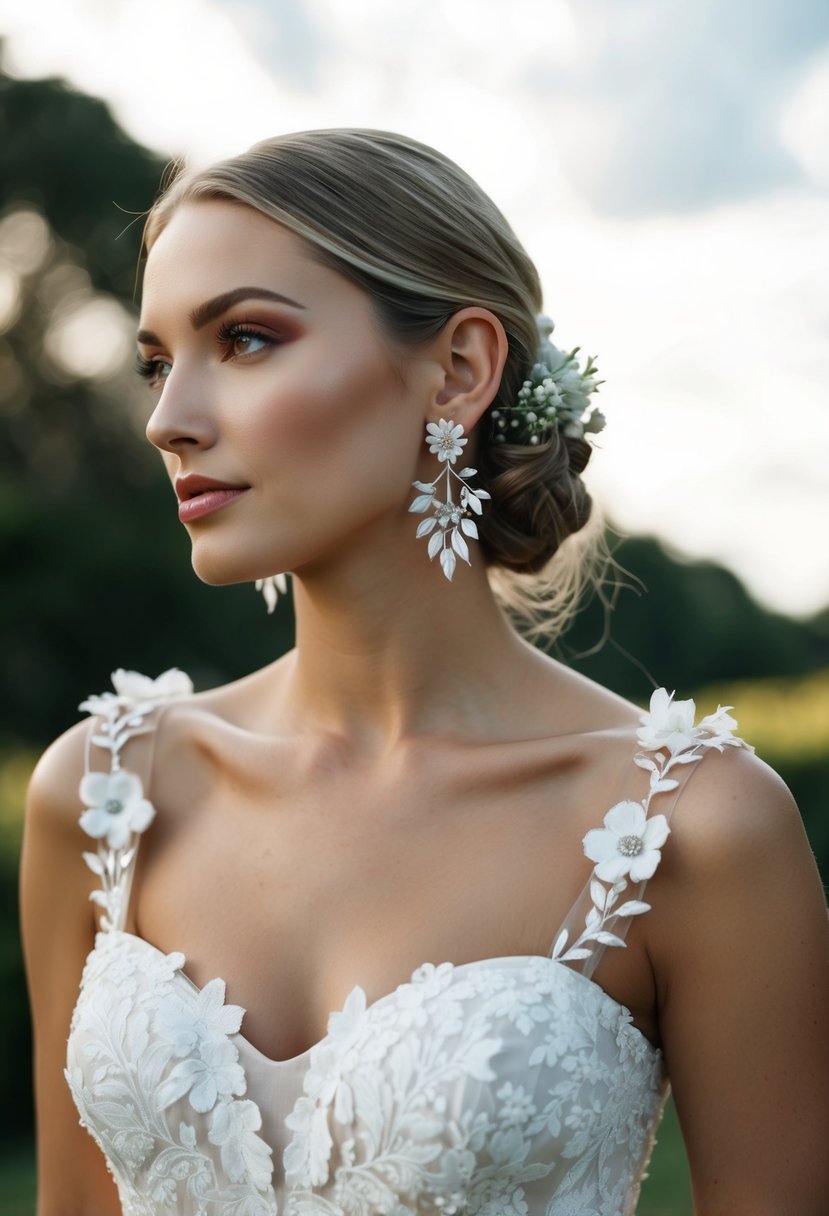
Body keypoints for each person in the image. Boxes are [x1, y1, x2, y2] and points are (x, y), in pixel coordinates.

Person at [21, 129, 829, 1216]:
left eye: (247, 339)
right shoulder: (106, 793)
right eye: (158, 362)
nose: (169, 421)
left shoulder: (690, 827)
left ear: (457, 370)